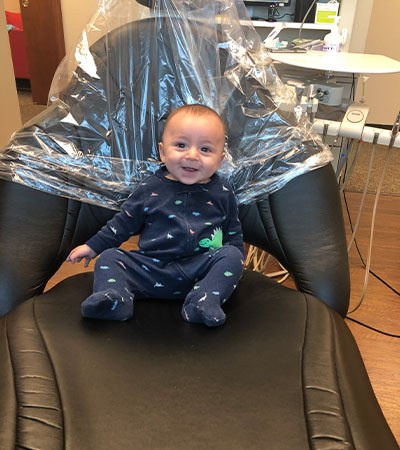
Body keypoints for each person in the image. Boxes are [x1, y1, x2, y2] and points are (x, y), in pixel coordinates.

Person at [67, 104, 244, 327]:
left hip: (200, 272)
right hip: (152, 269)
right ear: (162, 151)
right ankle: (115, 298)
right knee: (110, 257)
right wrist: (93, 247)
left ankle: (202, 302)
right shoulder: (149, 188)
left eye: (205, 149)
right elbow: (123, 223)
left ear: (220, 160)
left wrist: (232, 266)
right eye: (181, 145)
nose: (192, 155)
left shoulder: (224, 193)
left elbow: (233, 232)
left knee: (231, 255)